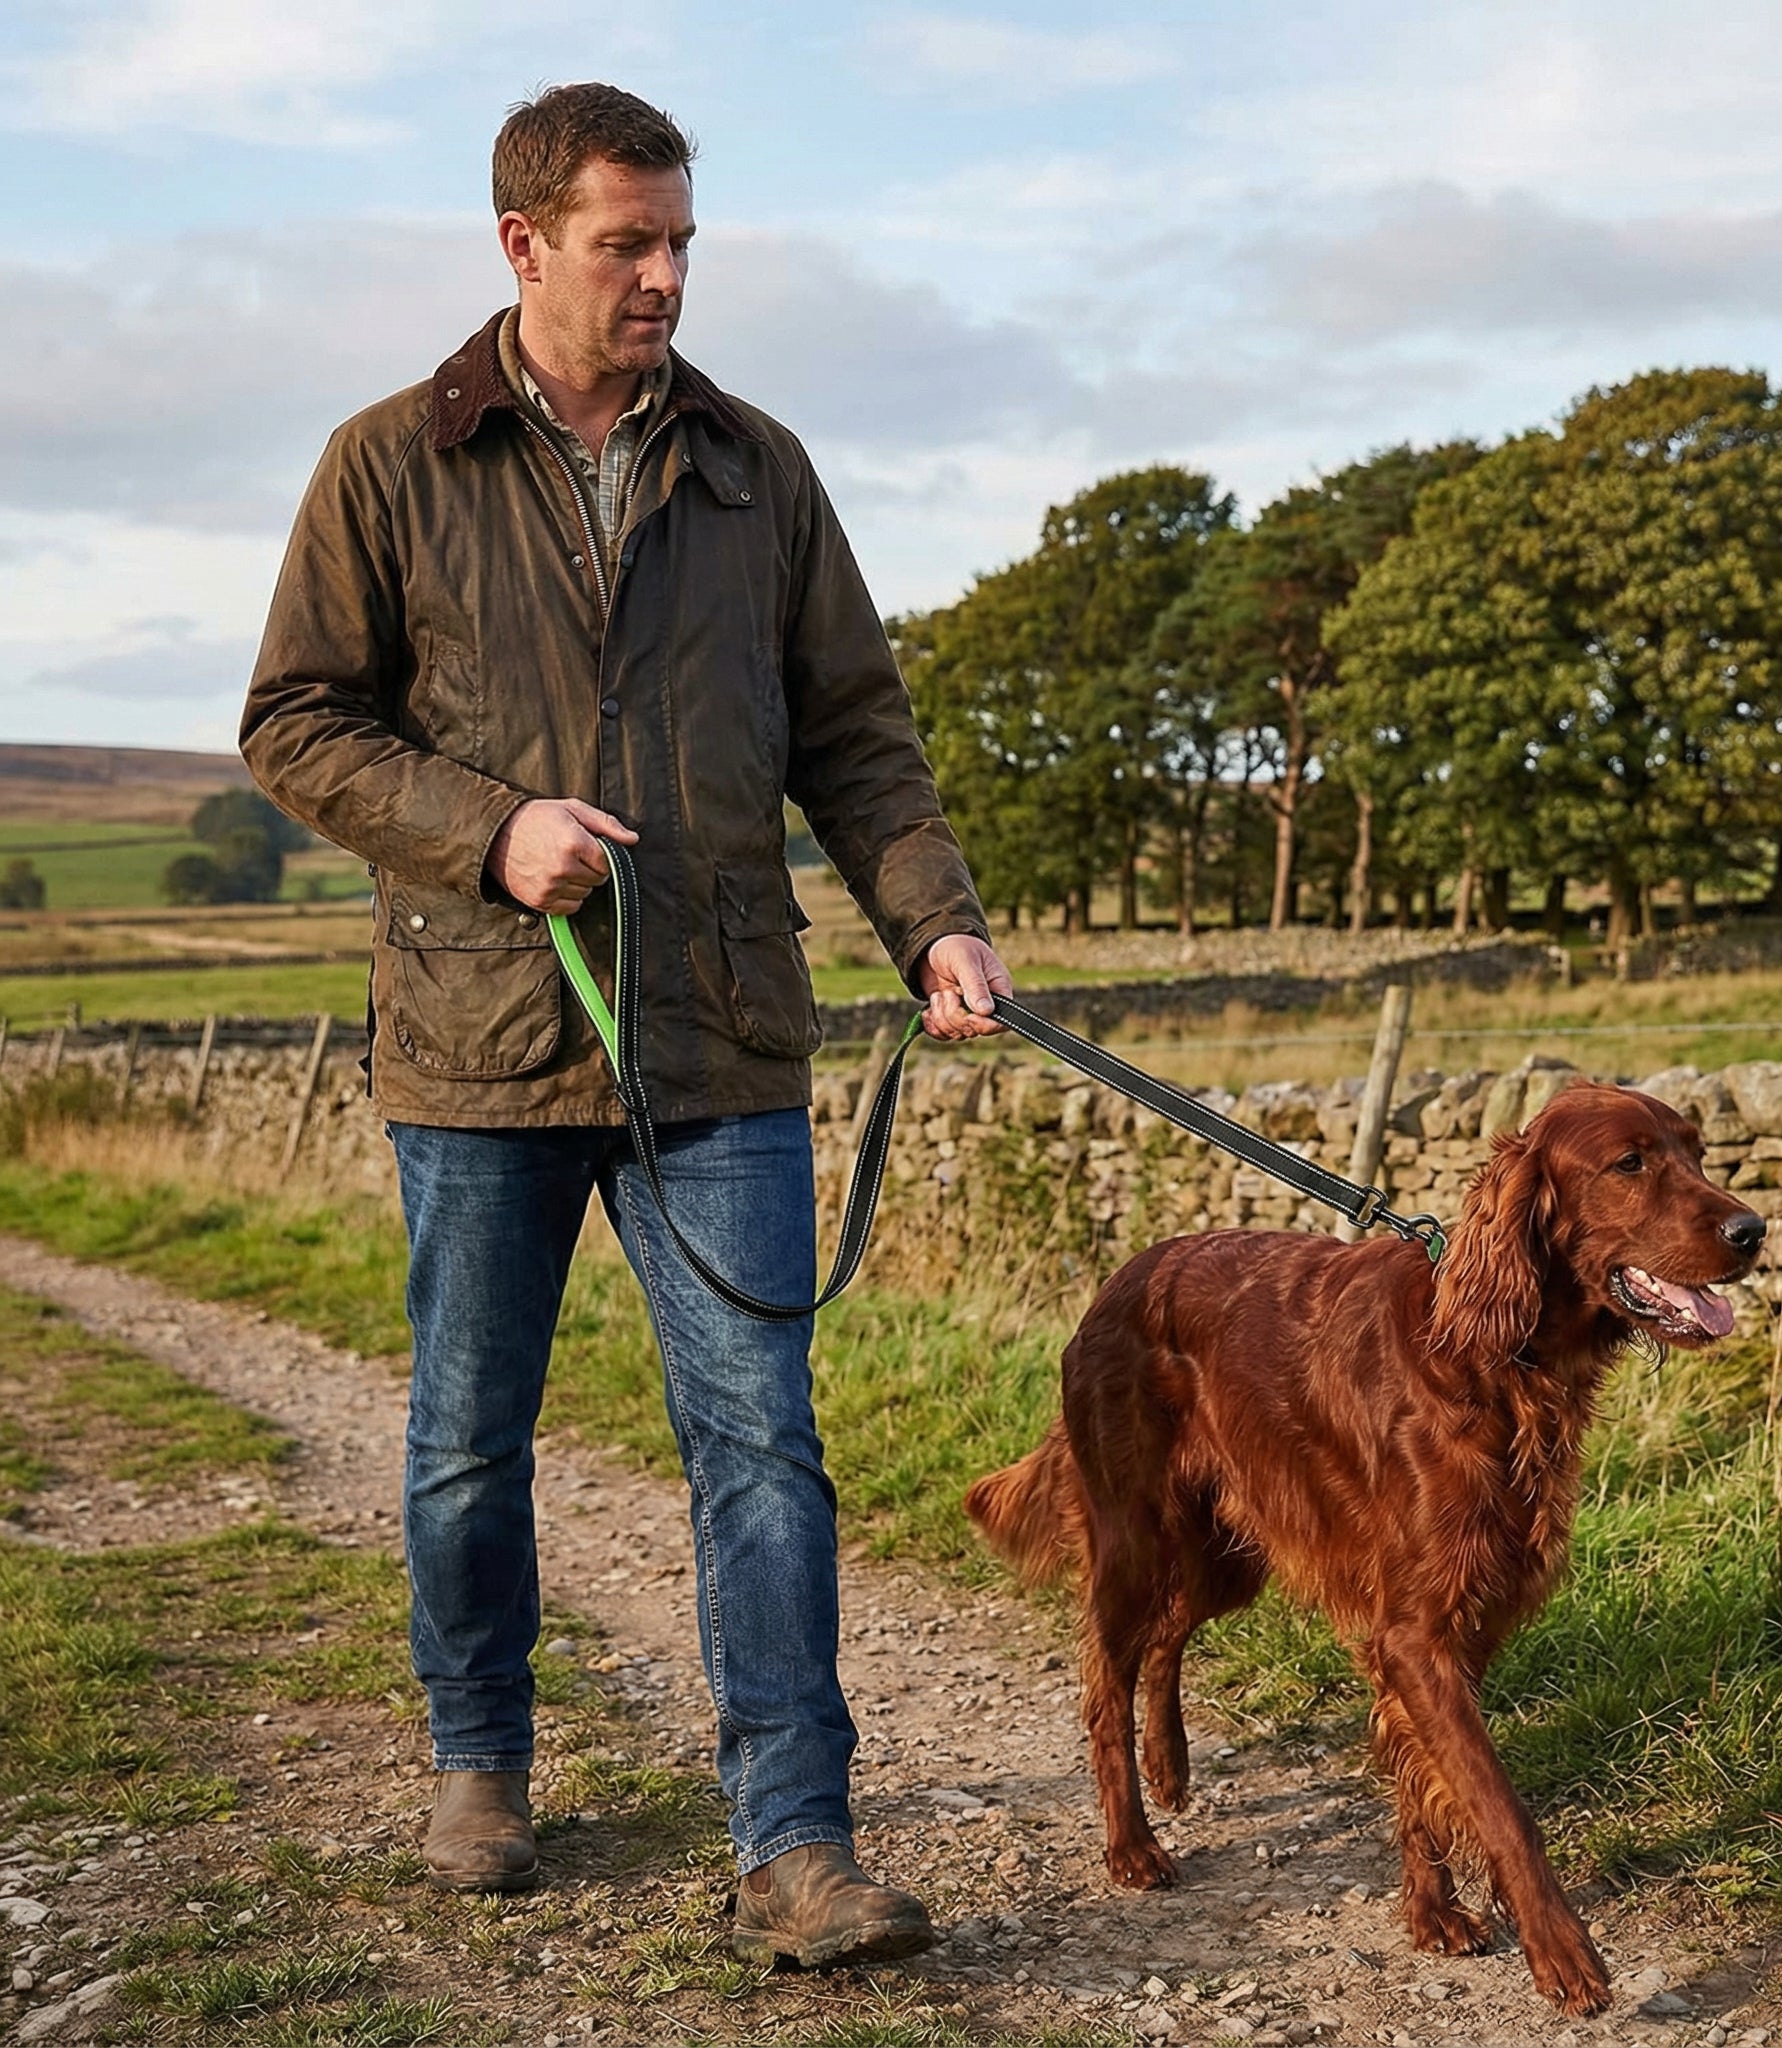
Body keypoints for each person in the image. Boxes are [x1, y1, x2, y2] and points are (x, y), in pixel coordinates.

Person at [240, 80, 1011, 1969]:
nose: (666, 274)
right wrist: (483, 830)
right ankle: (480, 1755)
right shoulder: (384, 464)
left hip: (720, 1036)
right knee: (461, 1443)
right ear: (523, 245)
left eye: (680, 239)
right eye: (627, 243)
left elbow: (857, 739)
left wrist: (935, 925)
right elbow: (296, 722)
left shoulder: (762, 469)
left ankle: (797, 1839)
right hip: (478, 1044)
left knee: (762, 1439)